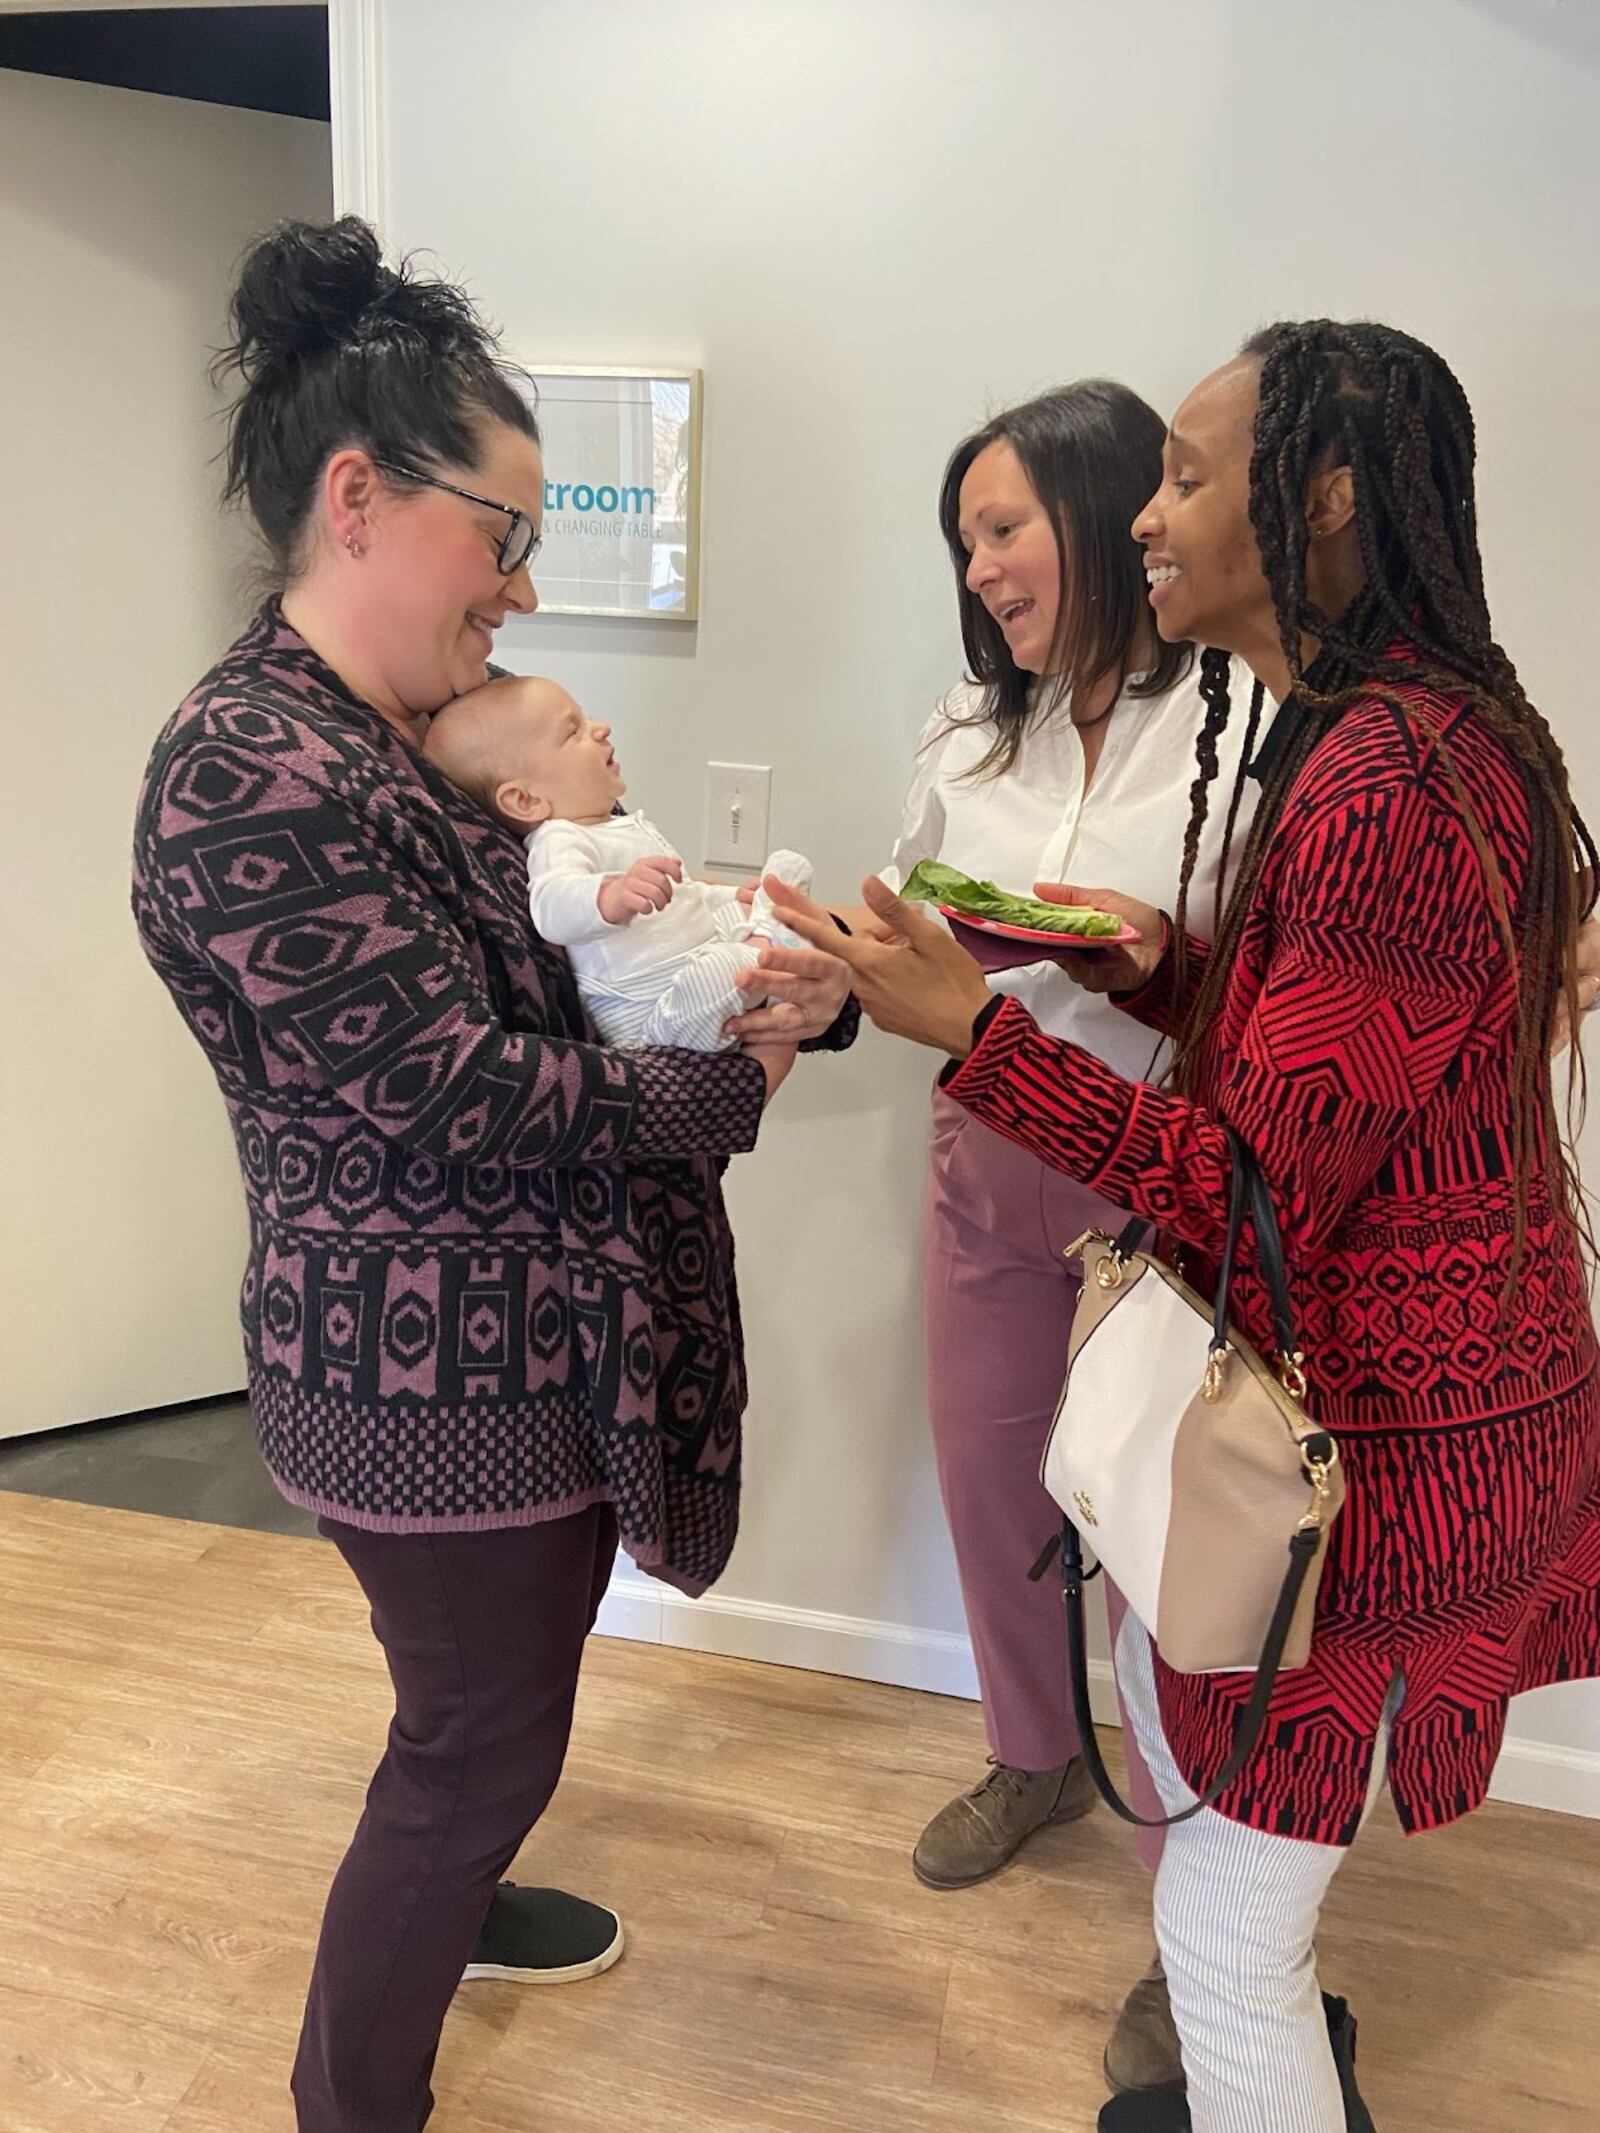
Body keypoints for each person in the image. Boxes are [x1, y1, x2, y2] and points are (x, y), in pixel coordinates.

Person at [770, 319, 1600, 2133]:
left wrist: (978, 1035)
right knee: (1249, 1906)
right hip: (1434, 1417)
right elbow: (1344, 1070)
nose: (1152, 513)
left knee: (1222, 1939)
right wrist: (1165, 975)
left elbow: (1247, 1183)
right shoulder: (1420, 735)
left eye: (1190, 477)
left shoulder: (1380, 778)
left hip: (1382, 1460)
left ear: (1320, 500)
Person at [130, 215, 854, 2133]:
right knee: (468, 1742)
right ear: (358, 497)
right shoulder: (244, 771)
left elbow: (577, 965)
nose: (522, 590)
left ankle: (461, 1888)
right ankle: (355, 2097)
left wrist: (767, 983)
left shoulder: (399, 746)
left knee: (474, 1717)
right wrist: (728, 1093)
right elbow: (442, 1093)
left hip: (502, 1355)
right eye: (502, 534)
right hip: (413, 1382)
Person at [885, 381, 1258, 2094]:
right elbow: (921, 914)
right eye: (969, 541)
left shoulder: (1243, 718)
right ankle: (1031, 1752)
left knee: (1154, 1554)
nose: (986, 567)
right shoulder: (970, 730)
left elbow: (1264, 975)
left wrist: (1150, 944)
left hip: (1153, 1180)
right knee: (988, 1484)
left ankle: (1201, 1930)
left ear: (1112, 515)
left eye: (1007, 526)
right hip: (984, 1151)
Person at [423, 672, 813, 1050]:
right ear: (526, 800)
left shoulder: (620, 826)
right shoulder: (560, 838)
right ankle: (766, 950)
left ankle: (762, 940)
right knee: (722, 970)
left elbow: (684, 896)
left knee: (786, 871)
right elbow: (551, 907)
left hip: (695, 955)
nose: (601, 728)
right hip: (650, 1008)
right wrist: (611, 895)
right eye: (572, 731)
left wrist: (731, 899)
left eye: (586, 717)